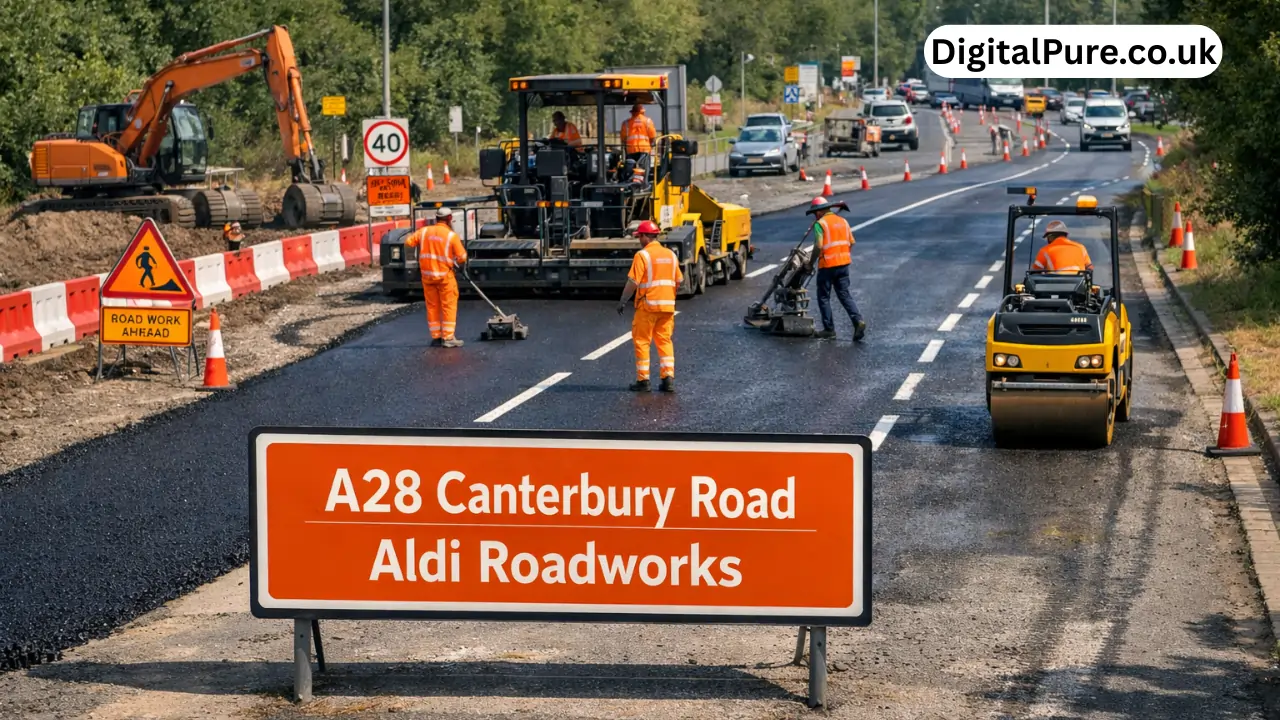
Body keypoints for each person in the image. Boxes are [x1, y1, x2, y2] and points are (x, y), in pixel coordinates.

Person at [616, 220, 681, 393]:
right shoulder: (671, 255)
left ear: (646, 236)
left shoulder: (642, 255)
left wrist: (623, 301)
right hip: (667, 306)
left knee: (642, 341)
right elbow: (678, 280)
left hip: (647, 306)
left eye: (640, 236)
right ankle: (668, 380)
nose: (639, 240)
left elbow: (633, 281)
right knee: (664, 341)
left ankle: (643, 381)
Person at [405, 207, 468, 348]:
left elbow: (409, 242)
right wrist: (456, 262)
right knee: (448, 305)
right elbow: (462, 257)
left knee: (432, 306)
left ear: (436, 218)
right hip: (444, 277)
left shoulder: (424, 231)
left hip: (427, 276)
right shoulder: (451, 236)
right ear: (450, 218)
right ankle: (448, 337)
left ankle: (436, 336)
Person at [807, 197, 866, 341]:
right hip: (843, 265)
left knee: (823, 297)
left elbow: (819, 246)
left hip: (827, 266)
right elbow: (851, 242)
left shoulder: (820, 224)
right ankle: (858, 321)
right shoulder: (843, 221)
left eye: (815, 213)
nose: (815, 216)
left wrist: (810, 263)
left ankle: (829, 330)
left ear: (819, 212)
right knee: (844, 295)